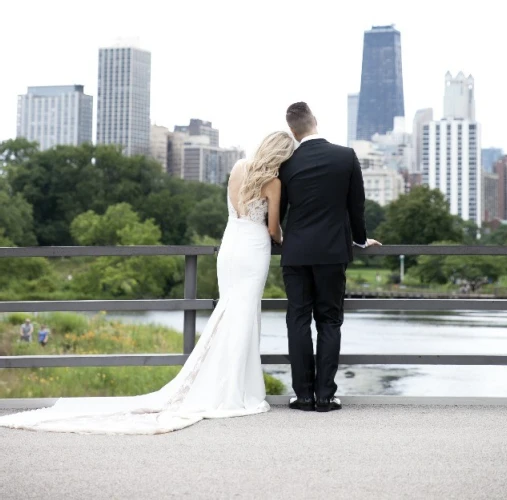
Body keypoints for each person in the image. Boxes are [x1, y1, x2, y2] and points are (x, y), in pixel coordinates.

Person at [0, 131, 295, 435]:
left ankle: (223, 384)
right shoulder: (273, 183)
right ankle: (235, 390)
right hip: (253, 249)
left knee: (227, 314)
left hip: (230, 244)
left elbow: (233, 210)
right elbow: (272, 228)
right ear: (280, 156)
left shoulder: (238, 168)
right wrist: (284, 239)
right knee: (244, 317)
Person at [279, 101, 382, 412]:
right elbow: (357, 206)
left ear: (292, 131)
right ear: (315, 122)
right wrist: (361, 240)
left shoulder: (286, 163)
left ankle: (302, 396)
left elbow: (279, 211)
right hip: (333, 252)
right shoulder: (345, 156)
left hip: (295, 253)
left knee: (297, 321)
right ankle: (325, 397)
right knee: (329, 321)